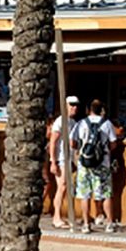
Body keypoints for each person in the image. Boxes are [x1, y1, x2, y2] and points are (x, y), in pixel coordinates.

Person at [70, 99, 118, 234]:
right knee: (106, 194)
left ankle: (86, 224)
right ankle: (109, 223)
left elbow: (72, 142)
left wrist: (81, 149)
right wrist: (104, 151)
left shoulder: (81, 123)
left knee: (84, 195)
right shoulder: (107, 124)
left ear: (88, 109)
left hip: (84, 164)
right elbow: (114, 143)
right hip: (103, 163)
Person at [49, 96, 80, 229]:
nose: (74, 108)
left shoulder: (73, 122)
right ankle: (56, 216)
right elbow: (53, 141)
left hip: (69, 159)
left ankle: (67, 215)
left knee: (67, 187)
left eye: (76, 105)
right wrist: (53, 161)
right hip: (61, 158)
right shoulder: (60, 121)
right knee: (61, 187)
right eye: (71, 105)